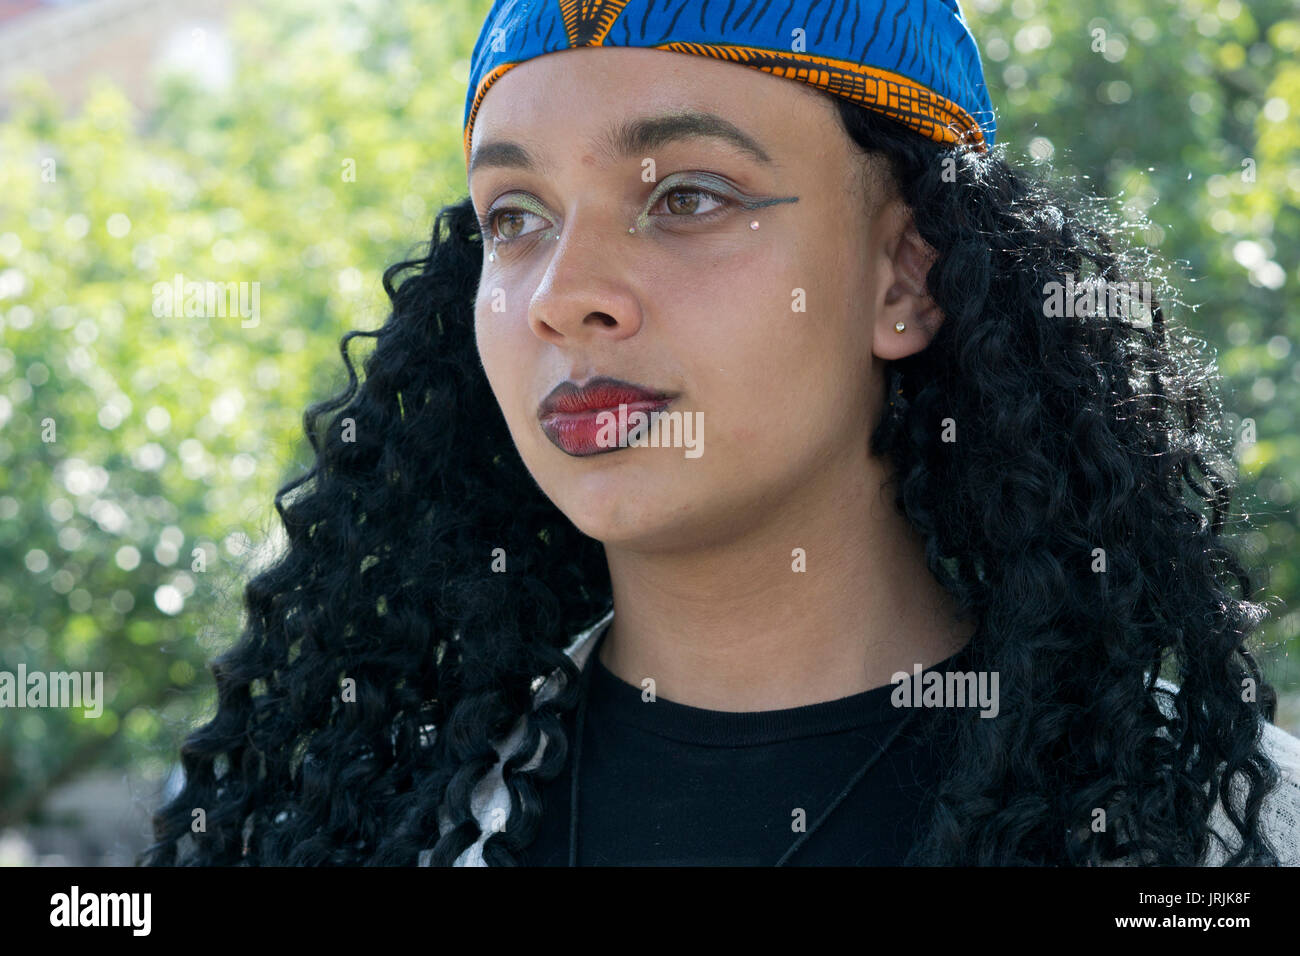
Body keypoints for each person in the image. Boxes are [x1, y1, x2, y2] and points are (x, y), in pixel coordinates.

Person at [142, 0, 1300, 867]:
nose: (564, 291)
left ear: (907, 276)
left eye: (686, 196)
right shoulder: (357, 819)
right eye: (514, 216)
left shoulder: (1216, 835)